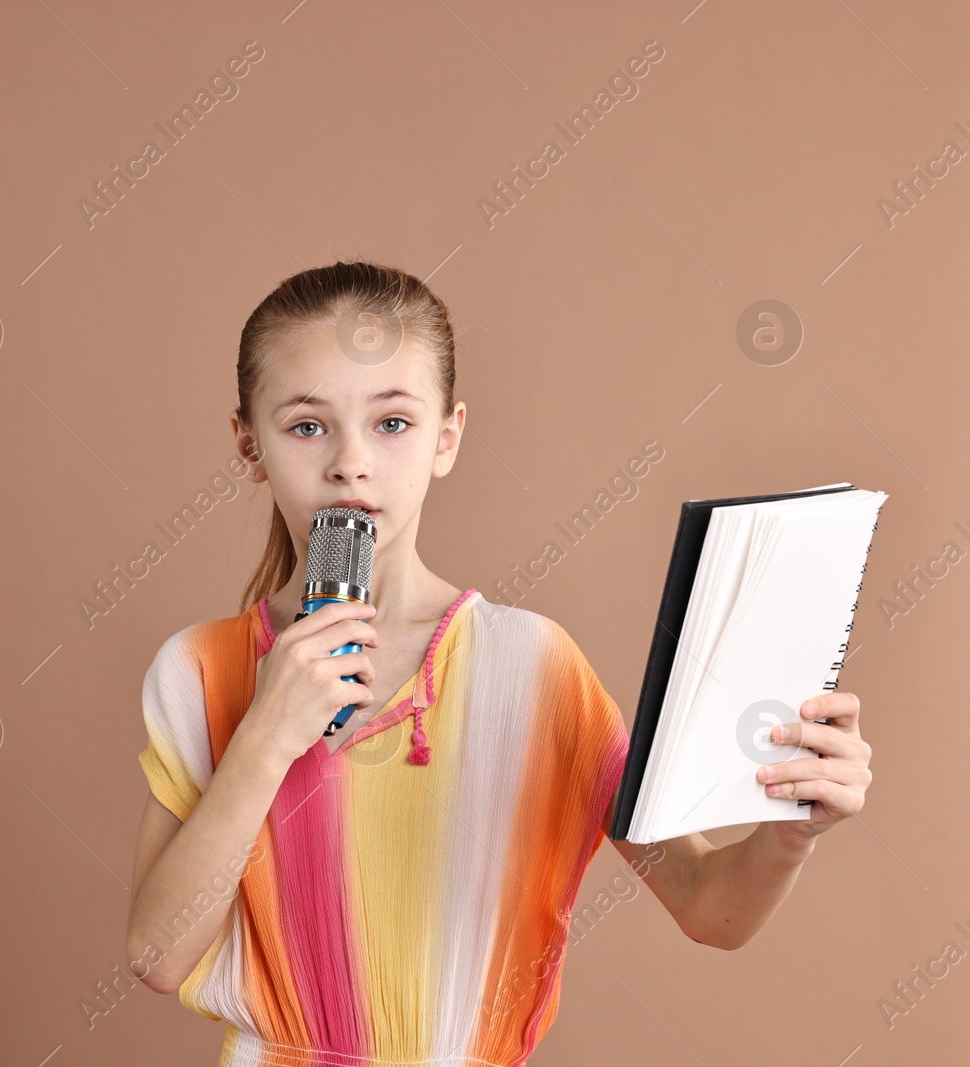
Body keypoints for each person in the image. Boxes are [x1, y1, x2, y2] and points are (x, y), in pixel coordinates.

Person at [124, 260, 874, 1066]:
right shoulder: (198, 670)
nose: (350, 462)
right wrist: (267, 735)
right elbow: (158, 954)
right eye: (307, 426)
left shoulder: (533, 667)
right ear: (249, 442)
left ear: (447, 437)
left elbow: (710, 908)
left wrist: (797, 825)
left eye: (393, 423)